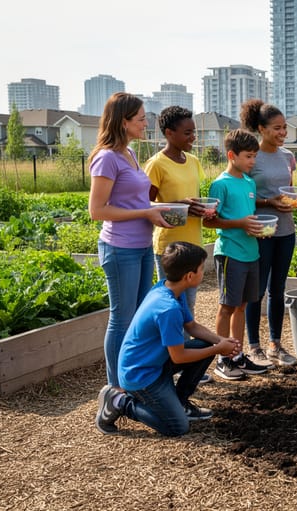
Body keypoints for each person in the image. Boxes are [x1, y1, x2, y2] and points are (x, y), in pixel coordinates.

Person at [95, 242, 241, 436]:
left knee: (205, 344)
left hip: (155, 363)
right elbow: (179, 357)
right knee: (177, 427)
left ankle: (180, 403)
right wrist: (218, 349)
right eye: (201, 269)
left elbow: (192, 327)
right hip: (140, 375)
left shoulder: (168, 288)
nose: (203, 273)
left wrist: (221, 341)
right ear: (189, 276)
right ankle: (121, 402)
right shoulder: (167, 309)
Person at [88, 92, 172, 389]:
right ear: (123, 122)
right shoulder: (107, 158)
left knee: (137, 318)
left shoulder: (130, 153)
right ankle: (116, 388)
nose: (145, 122)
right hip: (119, 247)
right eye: (140, 118)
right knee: (121, 319)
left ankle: (133, 380)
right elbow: (97, 210)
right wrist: (146, 212)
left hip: (141, 246)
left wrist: (153, 210)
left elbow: (134, 200)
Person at [203, 129, 271, 380]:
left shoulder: (249, 182)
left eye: (255, 157)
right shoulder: (220, 184)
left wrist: (258, 230)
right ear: (232, 155)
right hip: (230, 252)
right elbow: (209, 222)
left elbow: (248, 217)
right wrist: (241, 224)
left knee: (242, 306)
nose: (253, 162)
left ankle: (237, 355)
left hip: (251, 252)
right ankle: (222, 358)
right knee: (226, 306)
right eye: (249, 157)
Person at [240, 99, 297, 367]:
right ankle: (254, 347)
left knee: (278, 289)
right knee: (257, 290)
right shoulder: (252, 157)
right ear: (261, 129)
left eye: (284, 128)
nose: (282, 133)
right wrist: (267, 203)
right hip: (261, 231)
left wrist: (296, 201)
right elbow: (244, 196)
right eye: (277, 128)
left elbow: (289, 191)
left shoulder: (287, 156)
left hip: (285, 230)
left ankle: (275, 344)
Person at [144, 105, 210, 314]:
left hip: (194, 244)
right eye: (187, 133)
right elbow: (144, 205)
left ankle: (183, 347)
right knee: (171, 307)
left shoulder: (193, 161)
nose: (193, 138)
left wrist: (203, 209)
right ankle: (173, 347)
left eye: (194, 132)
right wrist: (180, 206)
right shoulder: (156, 164)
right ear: (169, 133)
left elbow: (193, 199)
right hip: (169, 247)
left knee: (188, 308)